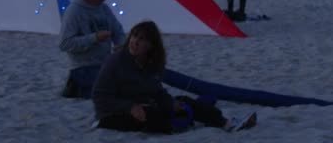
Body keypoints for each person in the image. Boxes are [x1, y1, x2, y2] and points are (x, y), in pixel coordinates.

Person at [92, 21, 257, 134]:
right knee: (157, 119)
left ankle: (227, 123)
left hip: (143, 105)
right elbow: (99, 97)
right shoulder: (116, 61)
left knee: (185, 102)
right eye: (134, 36)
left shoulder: (151, 64)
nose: (135, 42)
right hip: (112, 113)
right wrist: (129, 107)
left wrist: (171, 103)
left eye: (142, 39)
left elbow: (156, 91)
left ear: (151, 46)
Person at [59, 0, 126, 98]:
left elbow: (118, 31)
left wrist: (121, 45)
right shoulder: (74, 11)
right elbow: (64, 43)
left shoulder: (104, 9)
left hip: (104, 65)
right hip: (83, 68)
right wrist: (94, 38)